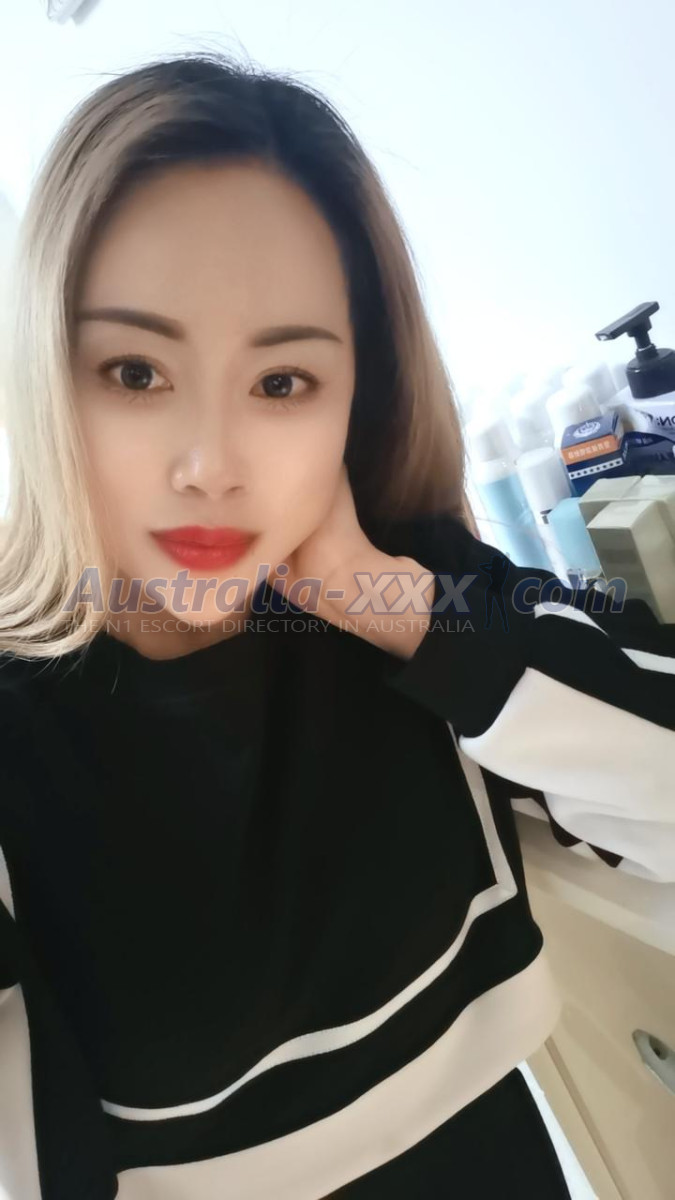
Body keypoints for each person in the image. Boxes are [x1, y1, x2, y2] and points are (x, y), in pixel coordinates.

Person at [0, 51, 673, 1200]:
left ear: (357, 393)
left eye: (281, 384)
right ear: (42, 379)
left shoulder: (411, 602)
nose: (210, 467)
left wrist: (382, 597)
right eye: (135, 370)